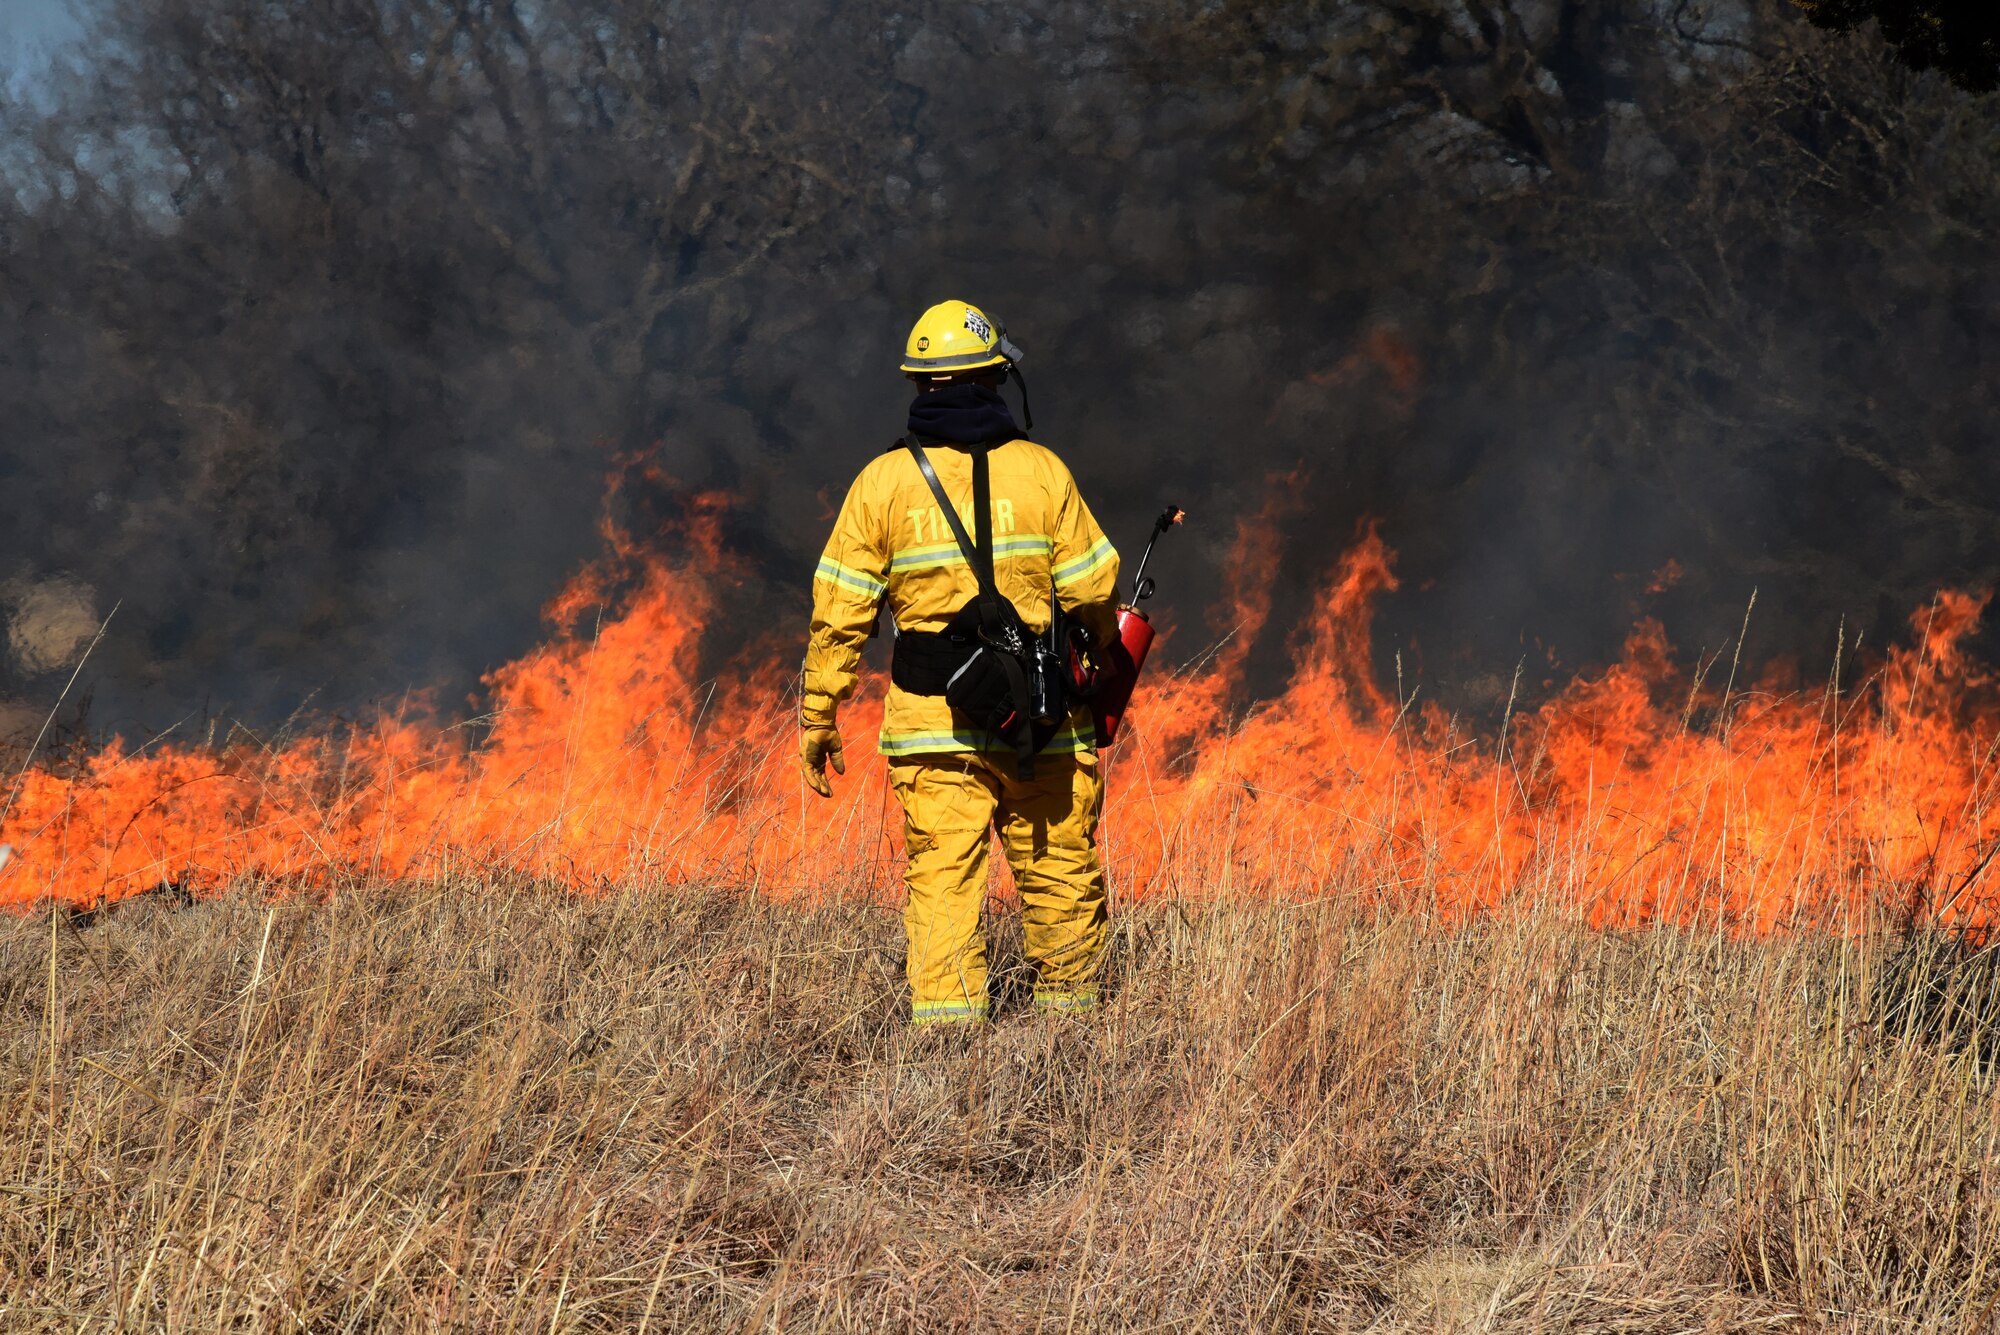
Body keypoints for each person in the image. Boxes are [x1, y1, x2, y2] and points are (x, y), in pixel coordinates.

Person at [799, 300, 1121, 1025]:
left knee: (942, 879)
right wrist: (1101, 654)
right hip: (1042, 719)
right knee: (1060, 872)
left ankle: (948, 1049)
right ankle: (1073, 1038)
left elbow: (839, 613)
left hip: (932, 723)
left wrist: (819, 713)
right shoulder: (1043, 472)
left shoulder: (881, 483)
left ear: (921, 387)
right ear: (997, 378)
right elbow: (1096, 588)